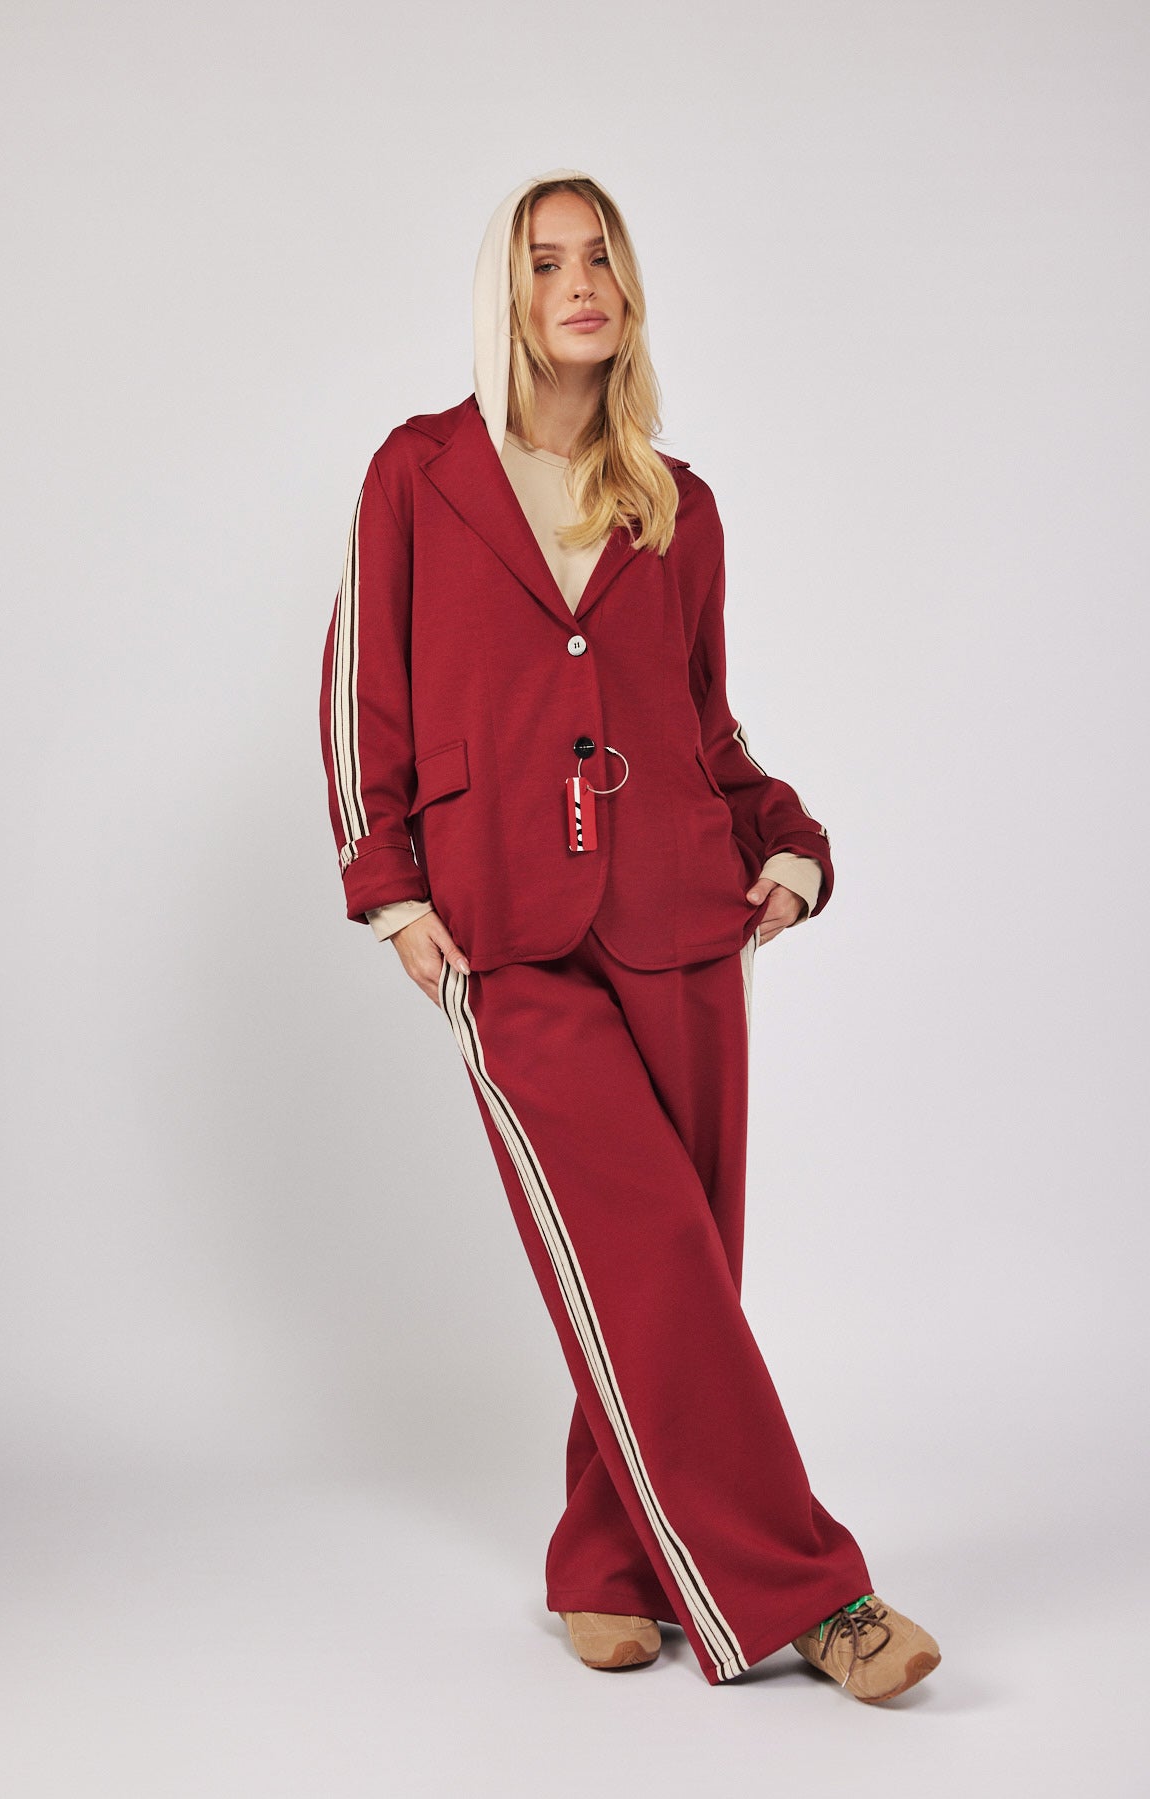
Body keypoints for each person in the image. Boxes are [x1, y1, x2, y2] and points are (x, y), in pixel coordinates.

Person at [319, 168, 940, 1700]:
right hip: (505, 930)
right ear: (507, 293)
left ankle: (605, 1563)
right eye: (546, 262)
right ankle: (814, 1595)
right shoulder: (421, 472)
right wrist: (389, 886)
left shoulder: (679, 503)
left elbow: (702, 726)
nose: (578, 284)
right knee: (647, 1248)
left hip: (681, 915)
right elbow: (360, 694)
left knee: (682, 1263)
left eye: (599, 257)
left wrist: (788, 844)